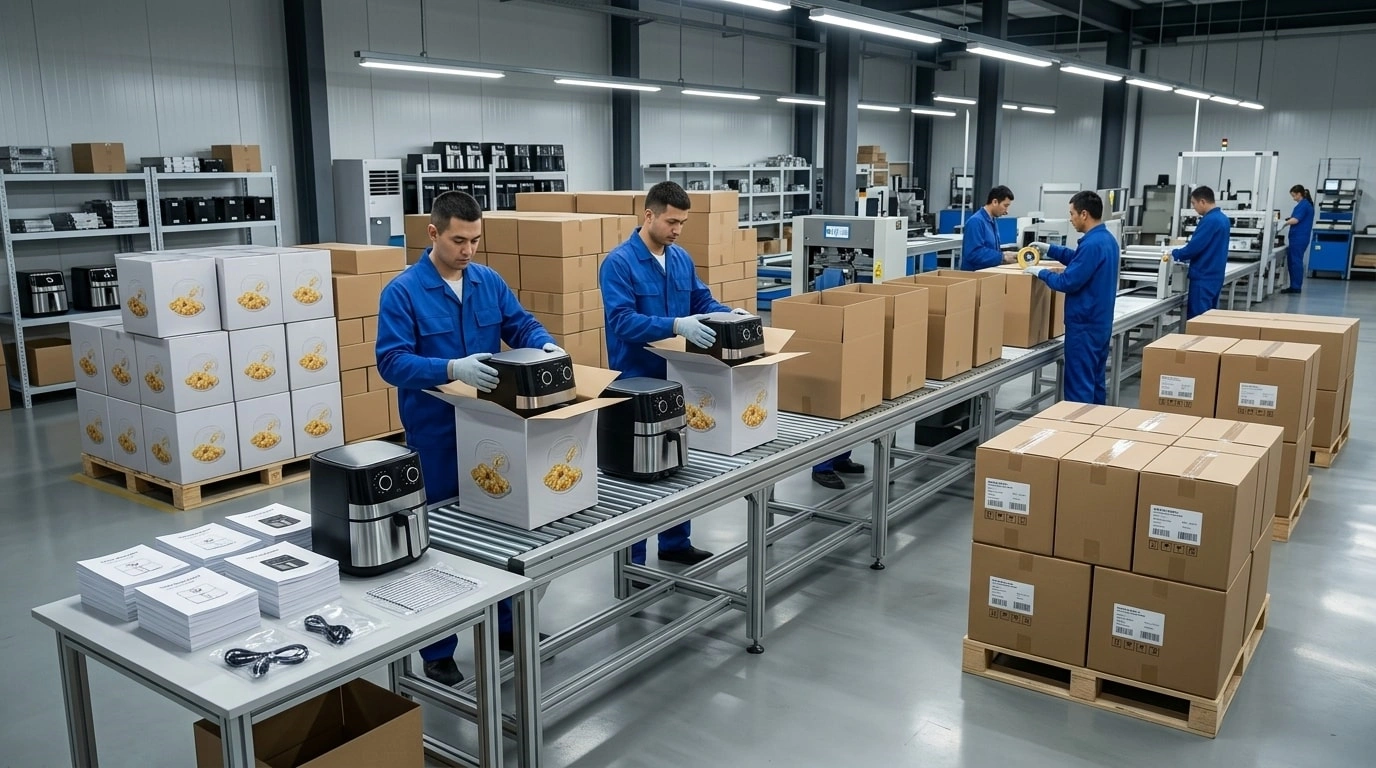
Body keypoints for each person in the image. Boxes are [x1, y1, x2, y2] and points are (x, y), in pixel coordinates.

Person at [377, 191, 560, 686]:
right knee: (440, 545)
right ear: (433, 233)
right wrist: (450, 367)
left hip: (493, 430)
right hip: (436, 436)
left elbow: (517, 323)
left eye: (476, 240)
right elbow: (391, 361)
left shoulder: (487, 281)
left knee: (500, 530)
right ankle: (437, 649)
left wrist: (542, 342)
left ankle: (504, 625)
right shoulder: (403, 292)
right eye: (459, 240)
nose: (469, 250)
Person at [602, 180, 753, 566]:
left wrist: (725, 312)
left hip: (678, 378)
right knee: (636, 478)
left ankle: (674, 543)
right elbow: (623, 322)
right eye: (671, 221)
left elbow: (700, 299)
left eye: (682, 223)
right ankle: (631, 562)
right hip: (635, 383)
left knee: (675, 460)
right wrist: (676, 325)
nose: (677, 229)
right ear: (648, 215)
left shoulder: (680, 257)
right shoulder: (619, 263)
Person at [1025, 191, 1119, 405]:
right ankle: (1094, 429)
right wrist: (1050, 249)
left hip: (1084, 326)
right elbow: (1078, 260)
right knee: (1095, 381)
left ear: (1084, 214)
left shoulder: (1092, 245)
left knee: (1079, 386)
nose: (1070, 218)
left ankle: (1078, 431)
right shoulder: (1105, 240)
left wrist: (1041, 272)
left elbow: (1068, 281)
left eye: (1072, 213)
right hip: (1100, 324)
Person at [1168, 186, 1230, 319]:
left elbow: (1195, 247)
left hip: (1203, 277)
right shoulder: (1223, 219)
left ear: (1202, 201)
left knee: (1198, 319)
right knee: (1209, 318)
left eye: (1193, 203)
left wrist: (1174, 254)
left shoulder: (1210, 220)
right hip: (1215, 276)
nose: (1194, 208)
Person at [961, 185, 1021, 270]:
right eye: (1005, 205)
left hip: (987, 273)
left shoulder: (992, 220)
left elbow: (990, 249)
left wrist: (1005, 254)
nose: (1007, 211)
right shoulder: (976, 222)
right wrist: (1002, 257)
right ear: (995, 202)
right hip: (974, 276)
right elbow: (973, 253)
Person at [1282, 184, 1314, 294]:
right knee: (1293, 261)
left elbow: (1296, 220)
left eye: (1294, 196)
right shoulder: (1304, 205)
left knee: (1295, 261)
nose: (1293, 198)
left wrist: (1283, 223)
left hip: (1299, 238)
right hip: (1298, 237)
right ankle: (1294, 285)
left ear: (1299, 194)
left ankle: (1296, 287)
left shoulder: (1304, 205)